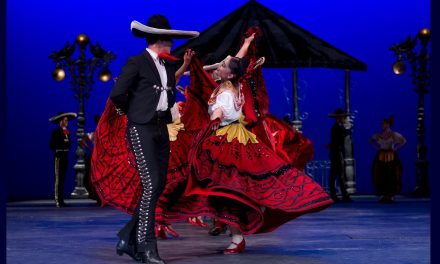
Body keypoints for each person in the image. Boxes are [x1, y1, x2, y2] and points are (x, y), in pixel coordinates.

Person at [184, 55, 333, 254]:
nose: (218, 67)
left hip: (227, 138)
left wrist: (213, 121)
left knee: (227, 189)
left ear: (230, 73)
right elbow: (233, 64)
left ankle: (236, 235)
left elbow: (221, 112)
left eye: (223, 66)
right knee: (227, 189)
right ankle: (233, 230)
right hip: (233, 136)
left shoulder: (226, 91)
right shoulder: (233, 85)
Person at [106, 15, 198, 263]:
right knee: (152, 183)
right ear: (160, 39)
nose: (172, 43)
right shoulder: (136, 62)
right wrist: (134, 114)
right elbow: (117, 94)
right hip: (141, 128)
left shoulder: (168, 65)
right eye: (169, 39)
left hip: (160, 127)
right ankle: (147, 247)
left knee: (157, 185)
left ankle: (127, 237)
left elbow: (166, 93)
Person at [369, 116, 406, 203]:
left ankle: (391, 195)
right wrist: (377, 148)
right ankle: (384, 194)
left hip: (390, 156)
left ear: (388, 124)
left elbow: (403, 141)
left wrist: (395, 148)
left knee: (391, 174)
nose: (382, 124)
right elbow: (370, 140)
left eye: (384, 123)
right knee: (381, 174)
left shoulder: (393, 134)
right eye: (382, 123)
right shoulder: (379, 134)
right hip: (381, 155)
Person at [49, 112, 76, 208]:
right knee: (58, 179)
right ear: (61, 121)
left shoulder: (67, 132)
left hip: (65, 156)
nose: (66, 122)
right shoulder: (56, 132)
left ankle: (61, 200)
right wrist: (60, 146)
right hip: (59, 156)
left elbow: (69, 143)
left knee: (63, 178)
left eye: (67, 120)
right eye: (65, 120)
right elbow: (51, 145)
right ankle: (58, 200)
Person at [327, 108, 353, 202]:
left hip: (337, 152)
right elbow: (337, 140)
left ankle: (339, 194)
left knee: (337, 174)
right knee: (338, 174)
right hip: (336, 153)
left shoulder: (338, 127)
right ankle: (340, 195)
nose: (344, 119)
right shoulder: (336, 127)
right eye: (343, 117)